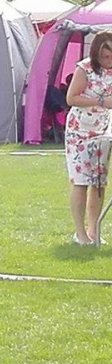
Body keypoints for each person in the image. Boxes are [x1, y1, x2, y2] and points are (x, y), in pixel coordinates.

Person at [64, 31, 112, 246]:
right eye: (105, 56)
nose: (109, 60)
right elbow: (71, 98)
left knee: (99, 182)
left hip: (104, 130)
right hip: (79, 131)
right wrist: (102, 100)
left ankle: (94, 229)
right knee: (81, 181)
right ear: (96, 54)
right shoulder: (84, 68)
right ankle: (80, 232)